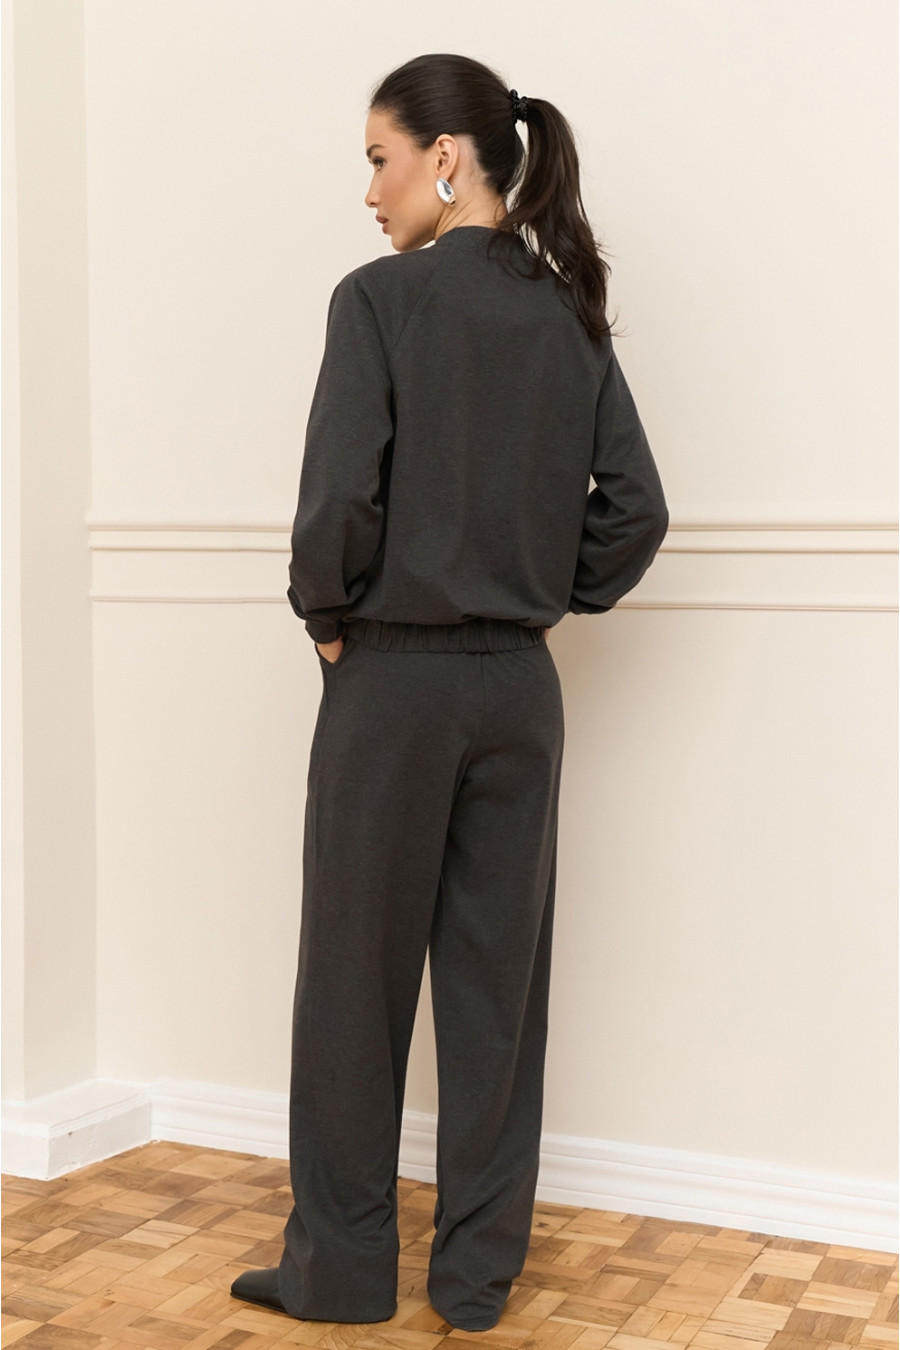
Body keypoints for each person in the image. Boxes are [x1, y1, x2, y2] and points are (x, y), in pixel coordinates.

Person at [230, 51, 669, 1333]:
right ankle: (475, 1283)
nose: (369, 190)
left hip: (396, 683)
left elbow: (339, 497)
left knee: (351, 988)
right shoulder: (567, 309)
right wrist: (538, 594)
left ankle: (342, 1271)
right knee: (496, 997)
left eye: (379, 159)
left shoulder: (378, 300)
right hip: (521, 691)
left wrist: (327, 612)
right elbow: (636, 510)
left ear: (445, 157)